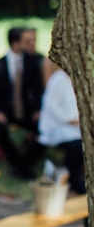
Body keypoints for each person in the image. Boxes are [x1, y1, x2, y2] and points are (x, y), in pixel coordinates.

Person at [0, 27, 45, 179]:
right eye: (26, 41)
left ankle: (23, 165)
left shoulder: (32, 62)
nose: (31, 43)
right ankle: (19, 165)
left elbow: (38, 90)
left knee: (44, 129)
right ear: (15, 43)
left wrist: (38, 110)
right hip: (5, 111)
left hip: (26, 111)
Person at [38, 64, 84, 194]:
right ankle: (74, 181)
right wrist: (69, 119)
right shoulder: (58, 79)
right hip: (60, 126)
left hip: (76, 126)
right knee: (77, 146)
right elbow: (51, 105)